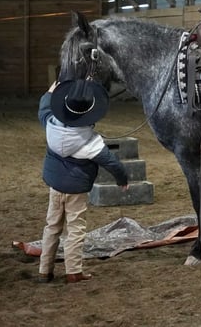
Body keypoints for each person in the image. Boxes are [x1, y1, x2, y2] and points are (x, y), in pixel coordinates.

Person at [37, 78, 129, 284]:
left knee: (52, 226)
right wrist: (122, 179)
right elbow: (111, 162)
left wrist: (52, 89)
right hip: (76, 190)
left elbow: (43, 107)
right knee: (75, 229)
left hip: (55, 186)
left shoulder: (51, 124)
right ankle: (73, 271)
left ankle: (45, 270)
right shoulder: (90, 142)